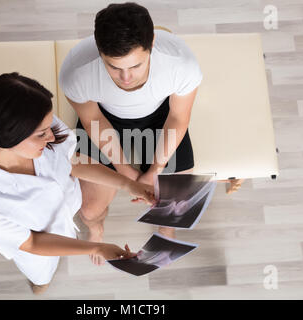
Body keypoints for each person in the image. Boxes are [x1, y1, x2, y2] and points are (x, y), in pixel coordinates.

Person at [0, 72, 156, 295]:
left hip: (69, 202)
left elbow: (73, 162)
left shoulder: (40, 124)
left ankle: (95, 229)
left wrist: (130, 185)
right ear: (10, 137)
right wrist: (97, 248)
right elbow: (32, 243)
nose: (52, 137)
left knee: (93, 212)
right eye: (42, 134)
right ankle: (40, 285)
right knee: (41, 281)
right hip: (39, 246)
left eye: (49, 127)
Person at [59, 2, 212, 265]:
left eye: (136, 66)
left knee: (175, 203)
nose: (126, 78)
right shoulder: (76, 72)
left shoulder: (181, 64)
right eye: (114, 67)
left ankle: (166, 230)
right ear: (99, 50)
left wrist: (154, 169)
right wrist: (124, 170)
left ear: (152, 43)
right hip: (104, 118)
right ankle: (97, 230)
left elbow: (177, 117)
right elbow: (93, 118)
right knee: (89, 209)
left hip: (159, 117)